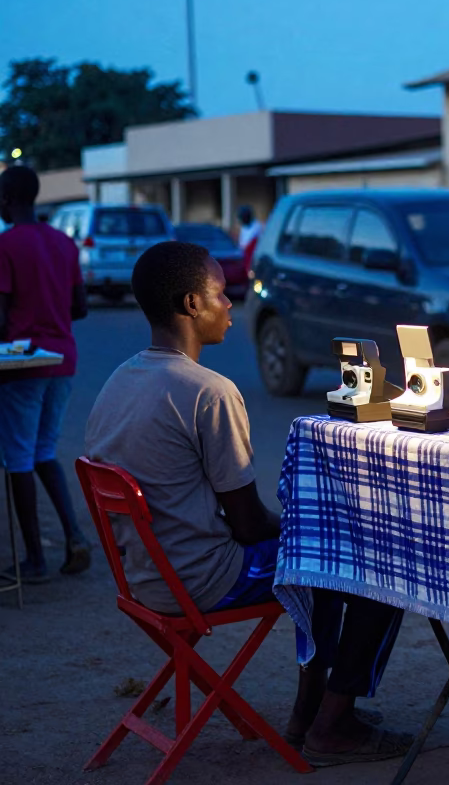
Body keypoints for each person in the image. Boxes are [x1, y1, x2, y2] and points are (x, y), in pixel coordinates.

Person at [85, 241, 411, 766]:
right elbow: (248, 524)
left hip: (145, 576)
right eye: (221, 293)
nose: (231, 304)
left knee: (323, 560)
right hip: (203, 579)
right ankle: (331, 723)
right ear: (192, 304)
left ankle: (311, 714)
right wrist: (319, 532)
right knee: (379, 564)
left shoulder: (121, 378)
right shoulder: (208, 391)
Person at [0, 166, 91, 581]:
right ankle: (74, 537)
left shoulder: (6, 245)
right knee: (43, 451)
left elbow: (1, 316)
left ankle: (34, 560)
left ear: (5, 200)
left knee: (18, 456)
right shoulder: (63, 243)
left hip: (22, 363)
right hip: (63, 360)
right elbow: (80, 307)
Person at [236, 204, 263, 273]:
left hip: (254, 259)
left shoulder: (258, 227)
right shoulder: (244, 228)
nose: (242, 220)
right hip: (245, 259)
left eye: (243, 217)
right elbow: (241, 245)